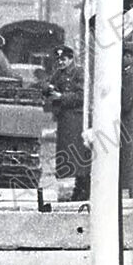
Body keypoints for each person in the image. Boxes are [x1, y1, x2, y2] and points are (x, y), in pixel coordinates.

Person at [44, 45, 87, 201]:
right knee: (67, 154)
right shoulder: (58, 74)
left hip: (76, 117)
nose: (60, 62)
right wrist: (48, 89)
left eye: (63, 59)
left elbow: (83, 95)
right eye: (59, 60)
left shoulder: (79, 73)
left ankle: (81, 187)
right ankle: (76, 187)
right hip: (64, 117)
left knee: (76, 153)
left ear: (71, 59)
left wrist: (61, 96)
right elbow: (49, 84)